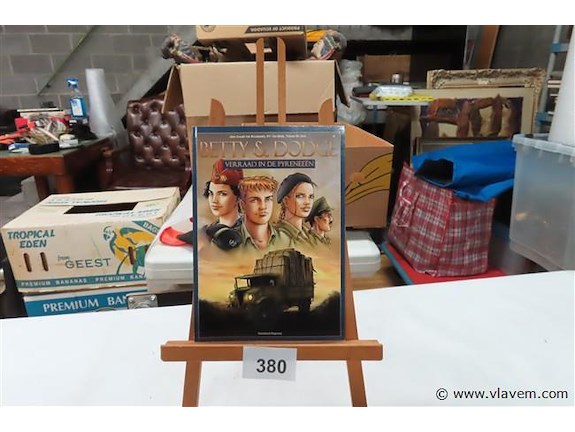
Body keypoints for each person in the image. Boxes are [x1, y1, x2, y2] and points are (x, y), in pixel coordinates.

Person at [236, 175, 291, 253]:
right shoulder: (230, 240)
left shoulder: (285, 240)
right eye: (254, 200)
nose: (263, 207)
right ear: (242, 205)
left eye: (268, 199)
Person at [198, 159, 244, 251]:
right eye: (211, 193)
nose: (214, 200)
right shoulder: (206, 231)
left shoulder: (249, 230)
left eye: (222, 194)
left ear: (238, 196)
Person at [275, 172, 316, 247]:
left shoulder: (310, 235)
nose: (307, 202)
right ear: (286, 201)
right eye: (300, 196)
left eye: (311, 197)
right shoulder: (278, 236)